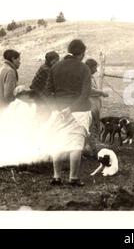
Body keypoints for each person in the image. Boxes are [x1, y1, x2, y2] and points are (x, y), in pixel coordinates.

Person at [44, 39, 92, 187]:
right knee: (76, 144)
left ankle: (56, 177)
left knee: (58, 142)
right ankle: (73, 178)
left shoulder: (55, 67)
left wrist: (56, 107)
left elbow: (46, 92)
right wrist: (70, 108)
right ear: (82, 53)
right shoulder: (84, 69)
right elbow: (85, 94)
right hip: (78, 111)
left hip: (58, 111)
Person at [85, 58, 109, 153]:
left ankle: (93, 145)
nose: (96, 70)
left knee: (95, 124)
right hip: (91, 105)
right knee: (92, 126)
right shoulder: (86, 78)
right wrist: (101, 92)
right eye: (95, 67)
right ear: (90, 68)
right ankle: (91, 148)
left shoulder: (91, 77)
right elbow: (90, 90)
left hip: (95, 105)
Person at [30, 51, 59, 118]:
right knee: (43, 111)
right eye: (55, 61)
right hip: (38, 92)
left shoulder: (46, 66)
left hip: (39, 90)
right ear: (49, 61)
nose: (57, 63)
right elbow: (54, 82)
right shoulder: (46, 69)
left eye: (58, 60)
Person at [0, 49, 21, 114]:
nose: (20, 62)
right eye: (19, 60)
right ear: (13, 59)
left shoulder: (3, 68)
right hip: (4, 111)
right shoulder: (10, 71)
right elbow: (9, 96)